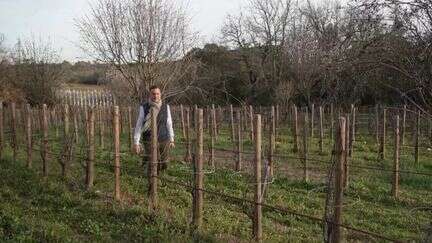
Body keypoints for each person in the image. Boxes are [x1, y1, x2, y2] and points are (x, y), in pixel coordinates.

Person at [133, 85, 175, 174]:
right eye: (153, 94)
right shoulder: (144, 107)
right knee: (154, 162)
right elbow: (139, 125)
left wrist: (171, 139)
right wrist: (136, 142)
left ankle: (151, 167)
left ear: (160, 95)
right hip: (149, 139)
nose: (155, 96)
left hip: (163, 139)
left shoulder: (166, 107)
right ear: (150, 95)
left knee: (164, 163)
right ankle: (152, 180)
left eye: (157, 94)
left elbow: (169, 123)